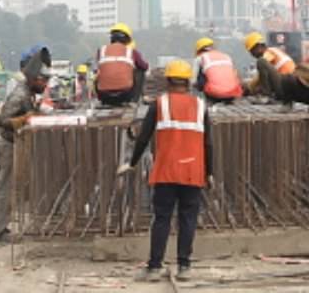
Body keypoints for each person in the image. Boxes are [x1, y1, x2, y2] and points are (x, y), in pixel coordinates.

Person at [117, 60, 213, 282]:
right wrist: (210, 172)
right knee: (188, 219)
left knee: (162, 218)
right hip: (192, 172)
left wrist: (132, 163)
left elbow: (143, 138)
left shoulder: (159, 105)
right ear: (188, 82)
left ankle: (154, 267)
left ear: (168, 81)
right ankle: (184, 267)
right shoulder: (200, 106)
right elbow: (208, 143)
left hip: (166, 172)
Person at [0, 57, 50, 243]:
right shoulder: (19, 95)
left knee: (11, 189)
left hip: (15, 144)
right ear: (32, 78)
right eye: (42, 80)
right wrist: (22, 120)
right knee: (6, 189)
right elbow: (1, 120)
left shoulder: (28, 93)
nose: (45, 84)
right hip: (7, 145)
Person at [95, 23, 149, 106]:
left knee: (100, 71)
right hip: (126, 95)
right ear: (127, 39)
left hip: (104, 96)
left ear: (111, 38)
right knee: (140, 70)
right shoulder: (131, 51)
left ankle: (102, 101)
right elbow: (144, 67)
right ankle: (134, 100)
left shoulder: (101, 50)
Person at [243, 32, 296, 96]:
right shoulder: (274, 50)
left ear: (259, 46)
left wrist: (250, 87)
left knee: (261, 62)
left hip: (285, 85)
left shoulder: (269, 53)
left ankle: (266, 95)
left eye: (252, 51)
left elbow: (260, 75)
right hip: (289, 84)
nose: (252, 55)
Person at [192, 37, 243, 103]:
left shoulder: (200, 58)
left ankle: (201, 101)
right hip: (233, 94)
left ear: (199, 50)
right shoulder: (226, 56)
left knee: (201, 74)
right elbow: (237, 76)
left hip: (214, 95)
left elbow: (193, 81)